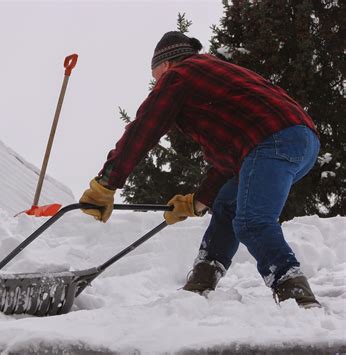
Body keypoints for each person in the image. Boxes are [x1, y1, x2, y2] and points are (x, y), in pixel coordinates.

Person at [79, 31, 321, 308]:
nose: (156, 84)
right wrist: (197, 201)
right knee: (227, 203)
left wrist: (106, 183)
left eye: (156, 77)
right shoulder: (211, 73)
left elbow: (143, 130)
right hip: (300, 142)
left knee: (252, 222)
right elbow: (230, 161)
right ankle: (202, 281)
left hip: (272, 139)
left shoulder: (180, 74)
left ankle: (297, 295)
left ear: (166, 65)